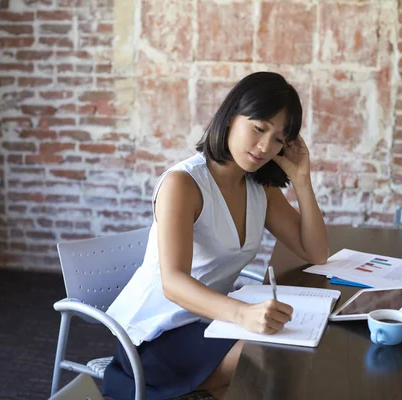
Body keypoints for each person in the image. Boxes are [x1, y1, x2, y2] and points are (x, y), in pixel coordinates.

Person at [102, 71, 329, 400]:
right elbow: (173, 282)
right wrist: (242, 314)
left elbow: (316, 252)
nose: (266, 146)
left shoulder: (259, 186)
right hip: (155, 332)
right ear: (231, 117)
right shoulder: (184, 184)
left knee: (280, 356)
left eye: (279, 138)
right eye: (259, 128)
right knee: (270, 359)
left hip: (210, 322)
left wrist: (302, 180)